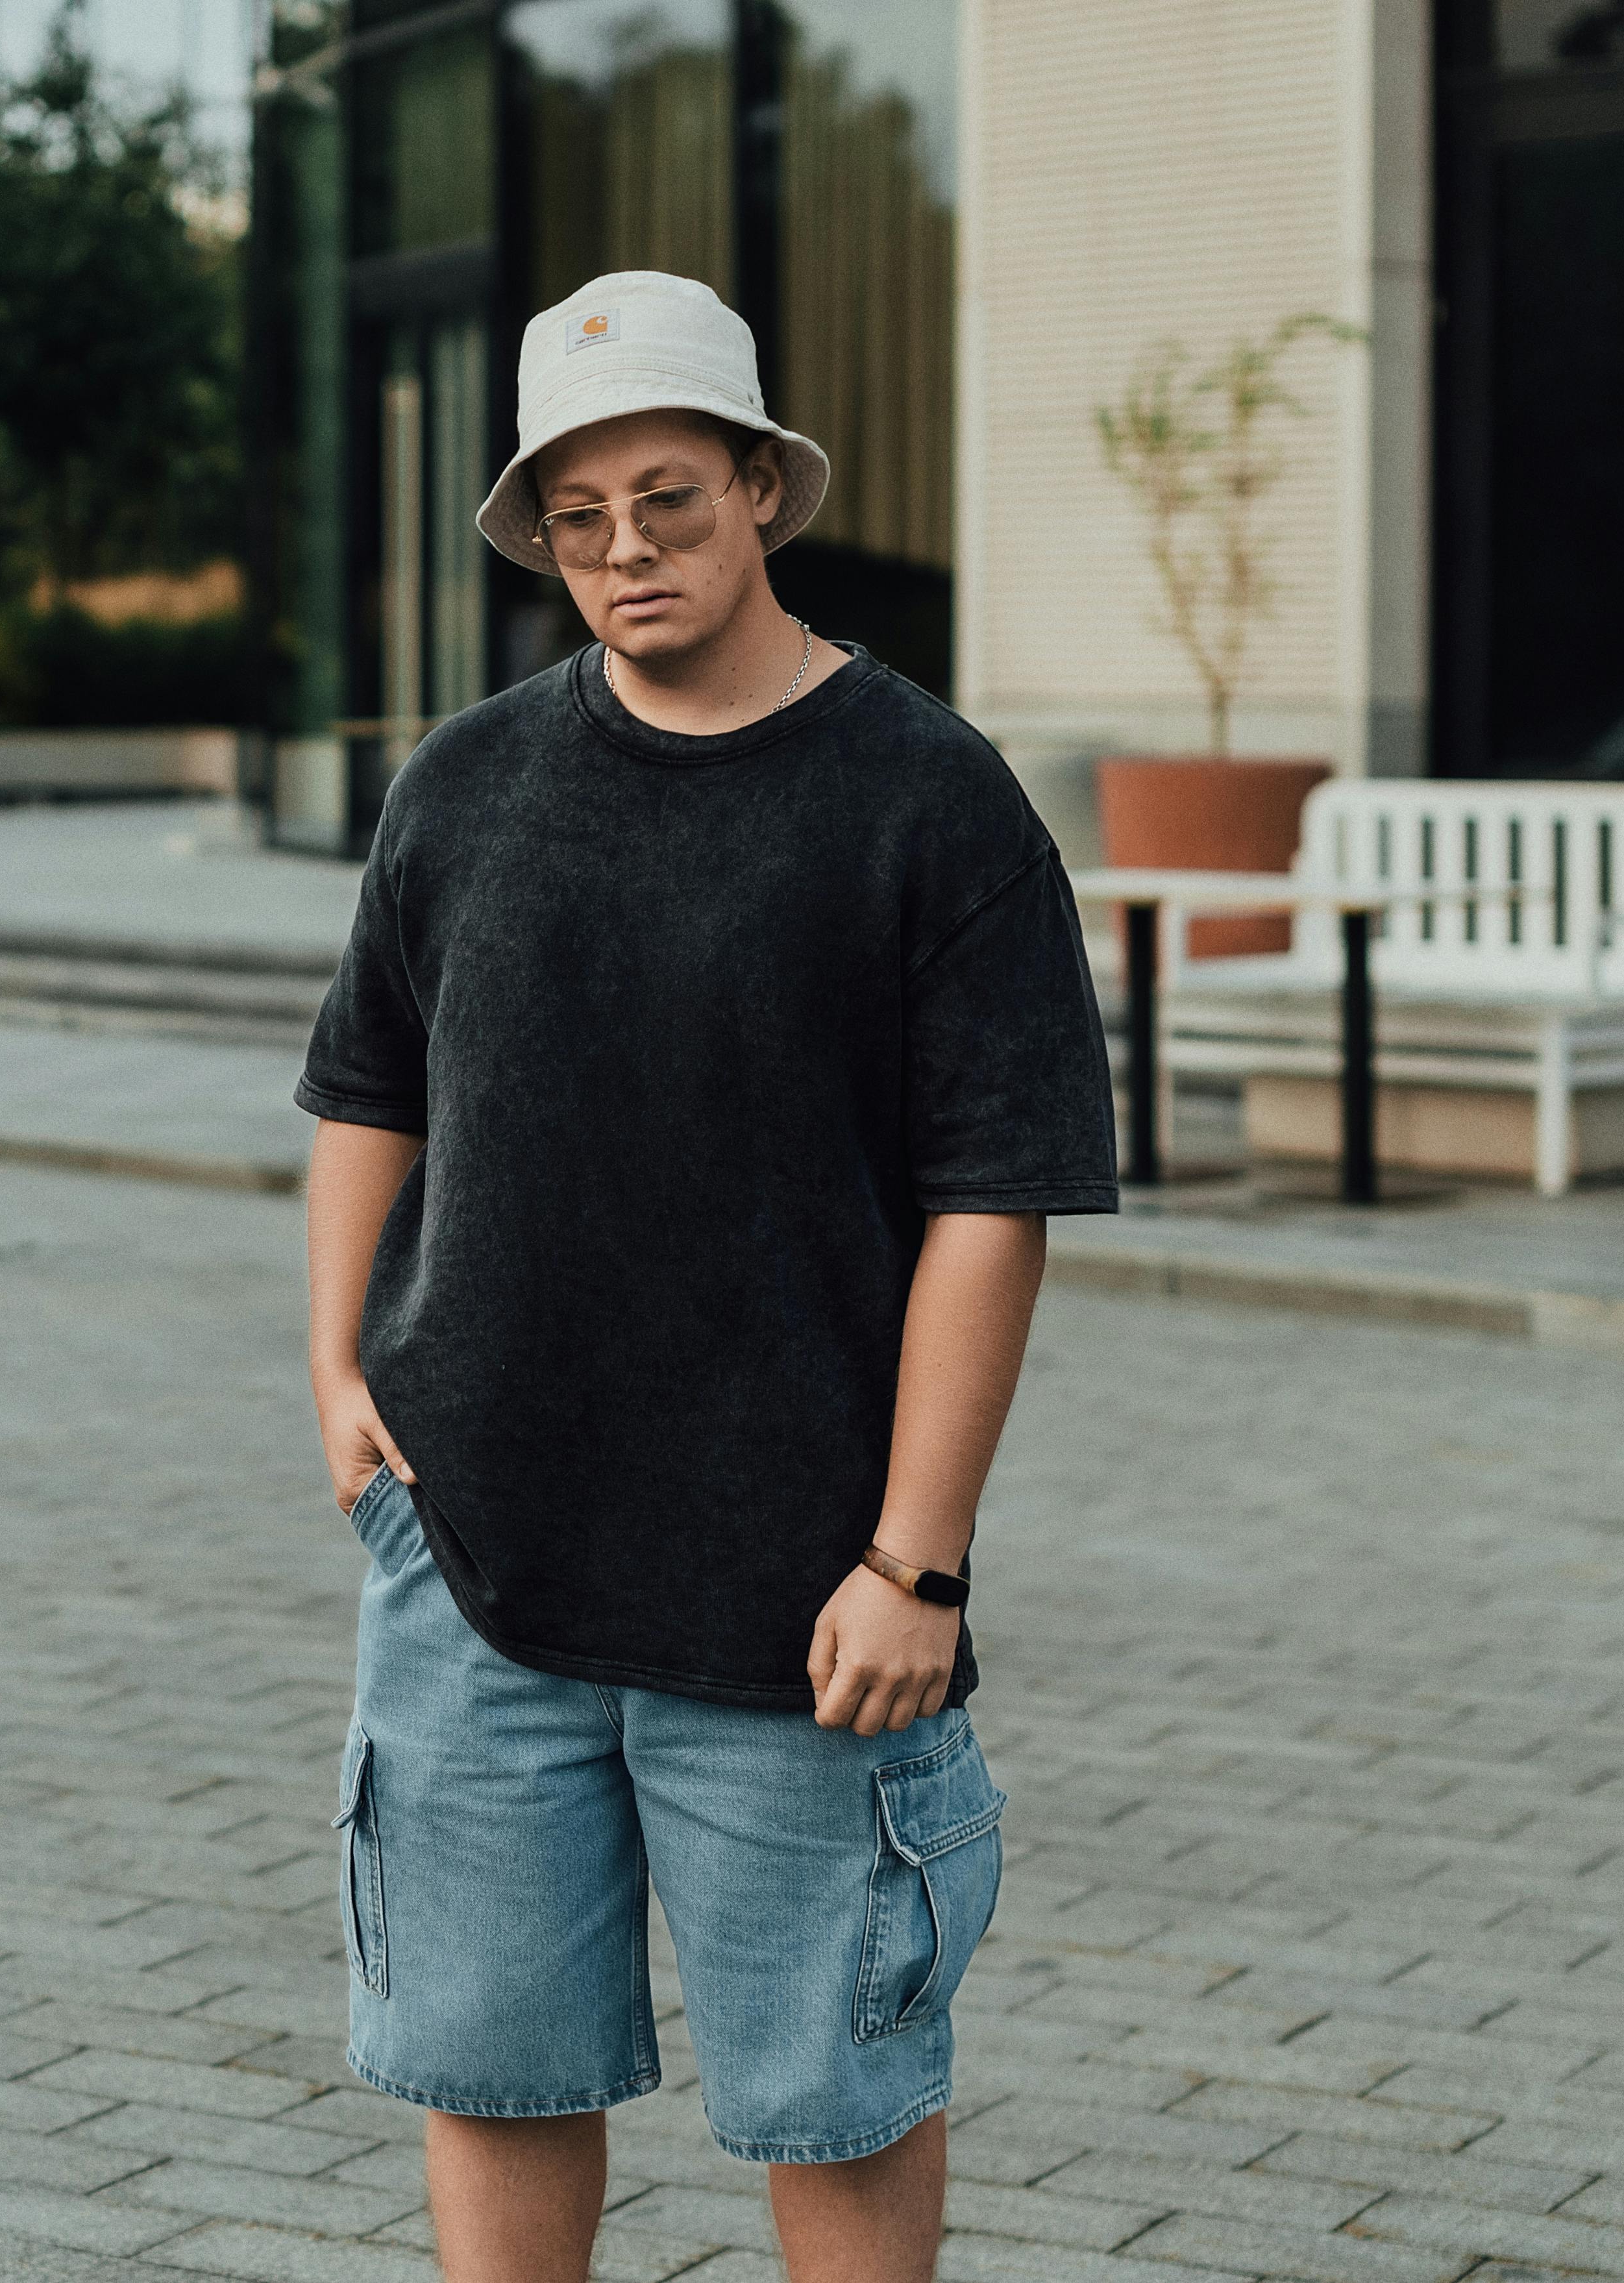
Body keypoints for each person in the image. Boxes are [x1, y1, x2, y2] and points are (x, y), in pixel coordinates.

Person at [298, 270, 1118, 2283]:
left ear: (759, 490)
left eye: (665, 498)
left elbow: (989, 1200)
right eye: (576, 519)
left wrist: (916, 1559)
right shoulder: (467, 785)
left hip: (805, 1602)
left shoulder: (925, 797)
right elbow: (364, 1087)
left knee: (832, 2106)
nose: (624, 553)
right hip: (476, 1566)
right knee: (489, 2080)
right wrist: (335, 1372)